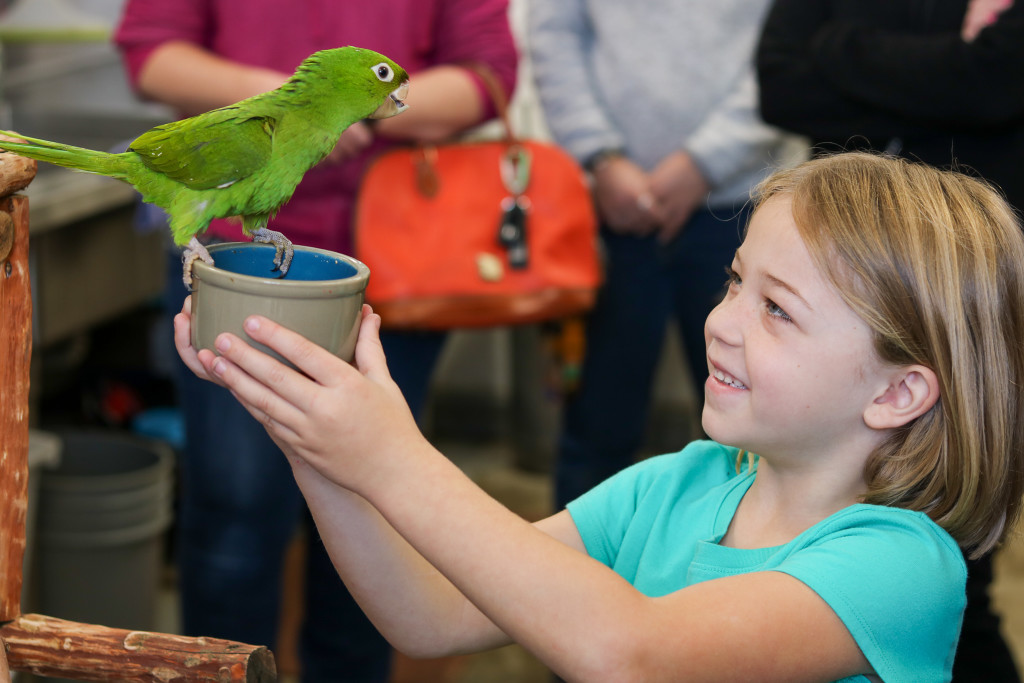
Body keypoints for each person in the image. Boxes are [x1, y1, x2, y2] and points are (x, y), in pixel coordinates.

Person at [173, 152, 1024, 681]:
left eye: (778, 310)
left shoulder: (902, 566)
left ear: (897, 393)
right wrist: (313, 431)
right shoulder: (676, 483)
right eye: (734, 281)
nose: (722, 320)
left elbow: (630, 654)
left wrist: (392, 455)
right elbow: (428, 614)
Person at [113, 3, 517, 680]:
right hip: (227, 251)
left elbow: (488, 72)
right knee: (236, 509)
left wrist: (354, 108)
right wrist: (293, 107)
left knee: (374, 508)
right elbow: (152, 52)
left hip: (401, 257)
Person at [755, 3, 1024, 678]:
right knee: (808, 549)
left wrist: (839, 47)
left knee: (954, 563)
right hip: (834, 309)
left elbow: (990, 84)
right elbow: (778, 83)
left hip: (957, 307)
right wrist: (936, 73)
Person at [525, 0, 807, 510]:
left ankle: (745, 580)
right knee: (597, 421)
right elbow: (555, 39)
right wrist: (600, 157)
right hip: (610, 205)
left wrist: (702, 163)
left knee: (762, 432)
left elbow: (790, 44)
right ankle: (572, 581)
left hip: (751, 201)